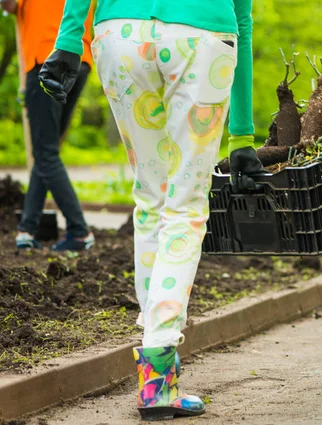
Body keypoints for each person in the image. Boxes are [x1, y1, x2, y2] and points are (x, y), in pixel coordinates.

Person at [39, 0, 263, 420]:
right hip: (201, 36)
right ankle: (158, 372)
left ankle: (158, 365)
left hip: (120, 35)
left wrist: (70, 39)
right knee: (185, 206)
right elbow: (243, 18)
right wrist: (242, 134)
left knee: (150, 199)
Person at [1, 0, 96, 251]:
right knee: (46, 150)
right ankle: (27, 228)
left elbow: (8, 5)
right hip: (80, 57)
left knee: (45, 152)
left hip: (46, 57)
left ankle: (79, 231)